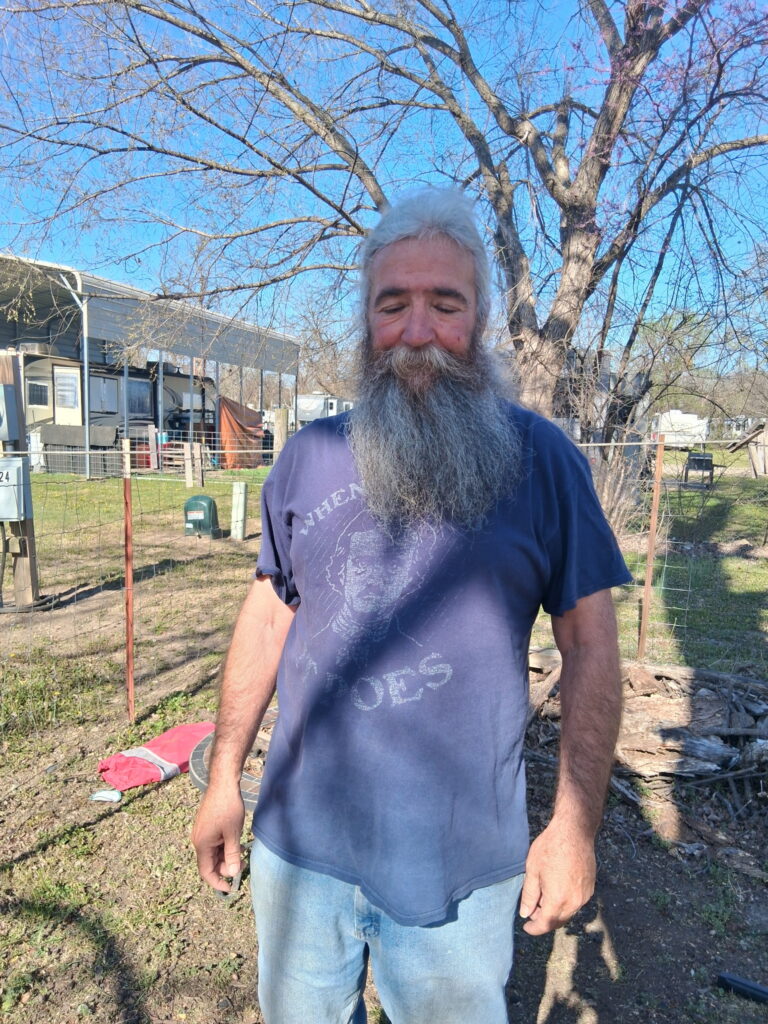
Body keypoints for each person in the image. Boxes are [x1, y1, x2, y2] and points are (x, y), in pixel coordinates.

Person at [192, 189, 631, 1024]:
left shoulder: (543, 466)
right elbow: (269, 615)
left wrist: (574, 828)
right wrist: (223, 777)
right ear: (366, 318)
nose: (418, 331)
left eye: (445, 303)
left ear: (481, 318)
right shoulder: (309, 458)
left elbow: (592, 650)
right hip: (299, 853)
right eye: (394, 304)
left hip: (457, 870)